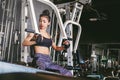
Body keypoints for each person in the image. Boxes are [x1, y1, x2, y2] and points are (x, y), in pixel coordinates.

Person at [22, 9, 72, 77]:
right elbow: (24, 43)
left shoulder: (49, 36)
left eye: (44, 21)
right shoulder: (35, 33)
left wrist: (64, 46)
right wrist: (35, 41)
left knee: (68, 74)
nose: (41, 23)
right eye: (40, 21)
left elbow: (56, 48)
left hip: (49, 60)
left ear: (49, 23)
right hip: (39, 59)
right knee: (41, 74)